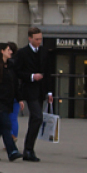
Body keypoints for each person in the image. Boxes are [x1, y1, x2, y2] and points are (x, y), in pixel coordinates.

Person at [11, 27, 52, 162]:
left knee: (35, 119)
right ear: (30, 39)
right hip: (29, 89)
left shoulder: (45, 52)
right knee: (37, 117)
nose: (39, 41)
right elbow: (16, 71)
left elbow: (48, 73)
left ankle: (29, 149)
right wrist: (32, 76)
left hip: (40, 90)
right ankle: (28, 149)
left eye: (40, 39)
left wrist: (50, 91)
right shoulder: (22, 53)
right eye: (36, 39)